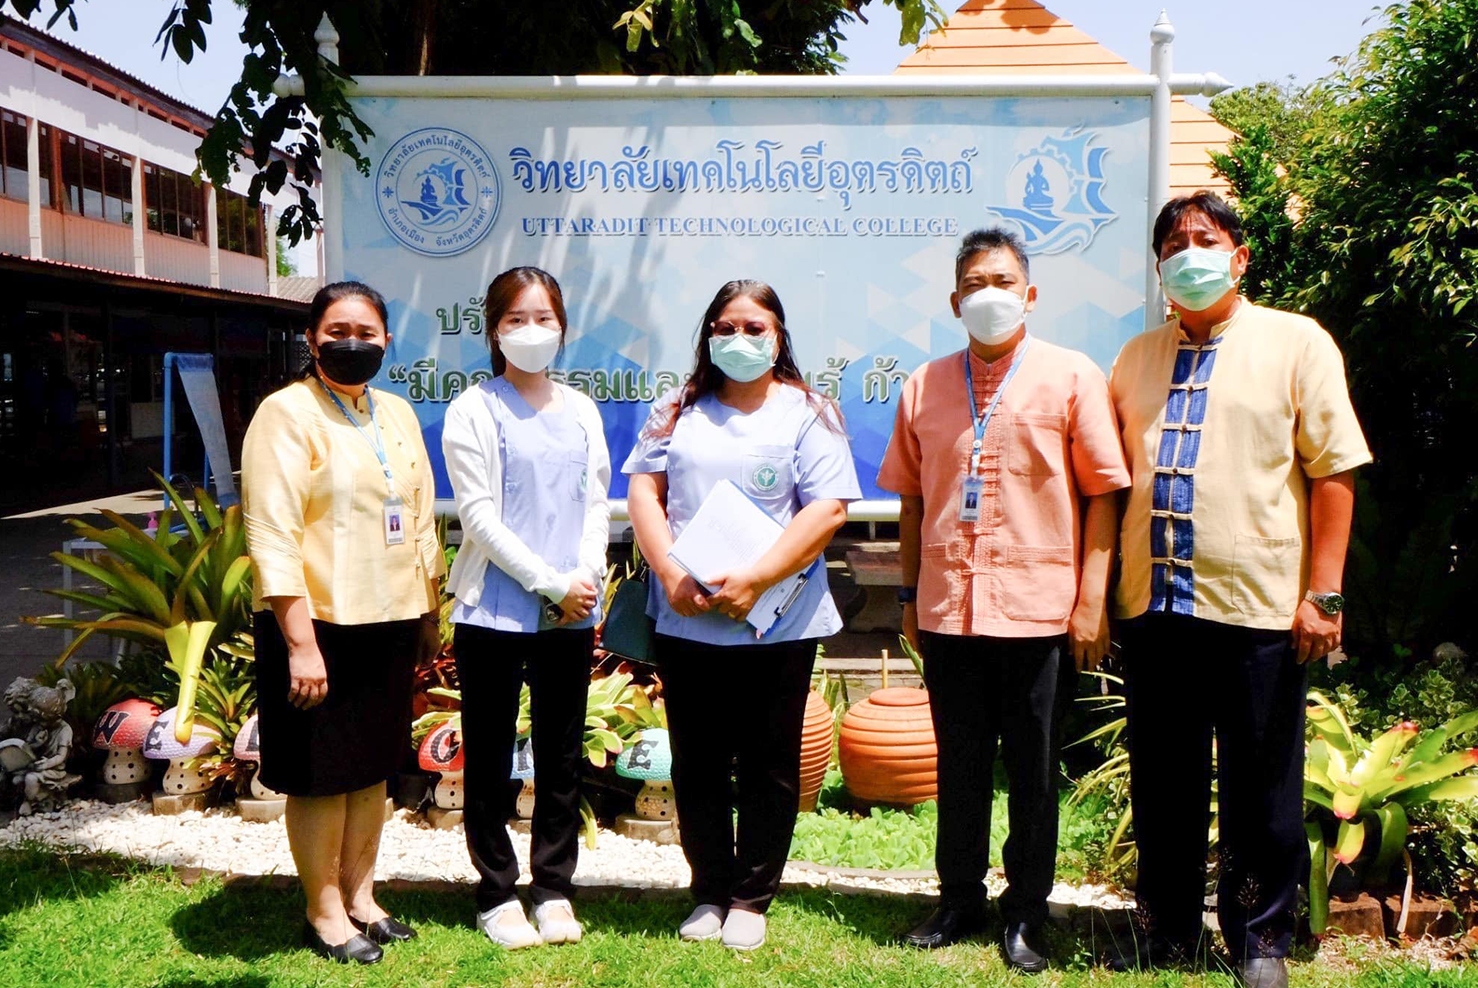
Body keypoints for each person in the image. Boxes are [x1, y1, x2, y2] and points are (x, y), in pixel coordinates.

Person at [1109, 191, 1370, 988]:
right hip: (1155, 609)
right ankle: (1166, 931)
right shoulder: (1133, 359)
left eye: (1205, 238)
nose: (1190, 253)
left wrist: (1322, 596)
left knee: (1262, 785)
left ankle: (1260, 938)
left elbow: (1334, 472)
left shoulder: (1297, 342)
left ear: (1240, 256)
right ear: (1159, 269)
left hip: (1256, 607)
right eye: (1175, 244)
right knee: (1163, 783)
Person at [876, 228, 1131, 971]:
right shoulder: (923, 384)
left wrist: (1091, 603)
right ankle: (958, 898)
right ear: (956, 300)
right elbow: (914, 501)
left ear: (1030, 293)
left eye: (1003, 280)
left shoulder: (1072, 376)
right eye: (975, 284)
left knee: (1031, 769)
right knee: (957, 763)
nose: (990, 294)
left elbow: (1103, 494)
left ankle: (1025, 912)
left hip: (1040, 611)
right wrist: (908, 597)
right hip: (950, 608)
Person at [624, 280, 860, 951]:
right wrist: (670, 571)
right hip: (687, 612)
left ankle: (752, 896)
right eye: (726, 327)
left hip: (777, 619)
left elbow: (828, 508)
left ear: (780, 335)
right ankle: (707, 890)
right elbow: (643, 488)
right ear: (706, 335)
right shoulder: (678, 407)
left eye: (756, 327)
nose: (741, 339)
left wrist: (756, 578)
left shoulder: (811, 411)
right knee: (697, 761)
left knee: (770, 761)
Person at [242, 281, 444, 965]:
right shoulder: (286, 414)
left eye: (366, 331)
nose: (352, 342)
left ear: (388, 339)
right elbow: (271, 532)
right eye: (337, 330)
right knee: (323, 774)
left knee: (370, 770)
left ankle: (362, 898)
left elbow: (420, 519)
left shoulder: (395, 412)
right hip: (317, 625)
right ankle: (323, 910)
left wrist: (429, 610)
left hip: (388, 619)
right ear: (311, 339)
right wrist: (300, 643)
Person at [441, 267, 611, 949]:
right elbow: (478, 516)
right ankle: (495, 892)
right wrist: (550, 581)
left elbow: (597, 500)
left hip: (568, 609)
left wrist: (589, 574)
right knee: (488, 756)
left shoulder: (581, 409)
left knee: (562, 753)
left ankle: (552, 889)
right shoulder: (472, 409)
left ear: (563, 328)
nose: (532, 331)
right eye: (516, 319)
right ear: (493, 330)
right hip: (493, 611)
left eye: (544, 318)